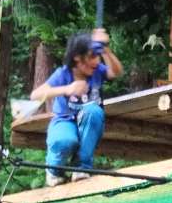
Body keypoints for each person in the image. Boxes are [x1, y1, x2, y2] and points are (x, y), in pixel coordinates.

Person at [30, 28, 123, 186]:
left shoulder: (98, 71)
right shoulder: (63, 74)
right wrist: (67, 89)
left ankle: (81, 167)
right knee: (65, 141)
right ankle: (53, 171)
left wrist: (106, 50)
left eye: (97, 56)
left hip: (88, 120)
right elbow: (36, 95)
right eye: (92, 56)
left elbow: (116, 72)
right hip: (64, 120)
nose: (96, 61)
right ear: (77, 58)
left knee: (94, 111)